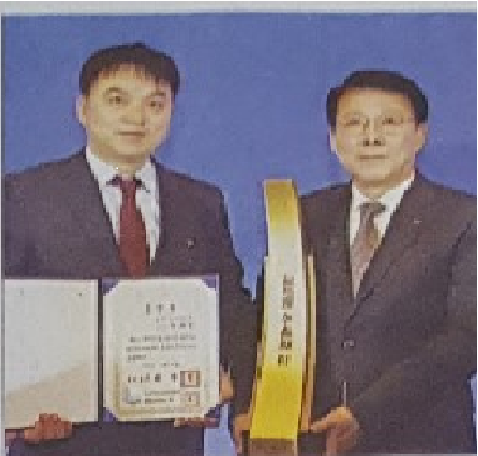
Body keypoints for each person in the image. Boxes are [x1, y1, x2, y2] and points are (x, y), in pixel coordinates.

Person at [4, 42, 256, 456]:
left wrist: (231, 382)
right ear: (83, 109)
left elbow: (231, 307)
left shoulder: (202, 201)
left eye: (155, 104)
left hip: (172, 443)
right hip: (59, 444)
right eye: (117, 100)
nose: (137, 118)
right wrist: (14, 410)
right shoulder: (22, 196)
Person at [296, 70, 476, 454]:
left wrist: (365, 413)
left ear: (420, 135)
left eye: (389, 123)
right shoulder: (303, 215)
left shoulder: (463, 217)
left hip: (424, 440)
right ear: (333, 139)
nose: (371, 137)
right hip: (318, 437)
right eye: (355, 123)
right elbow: (270, 320)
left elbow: (467, 337)